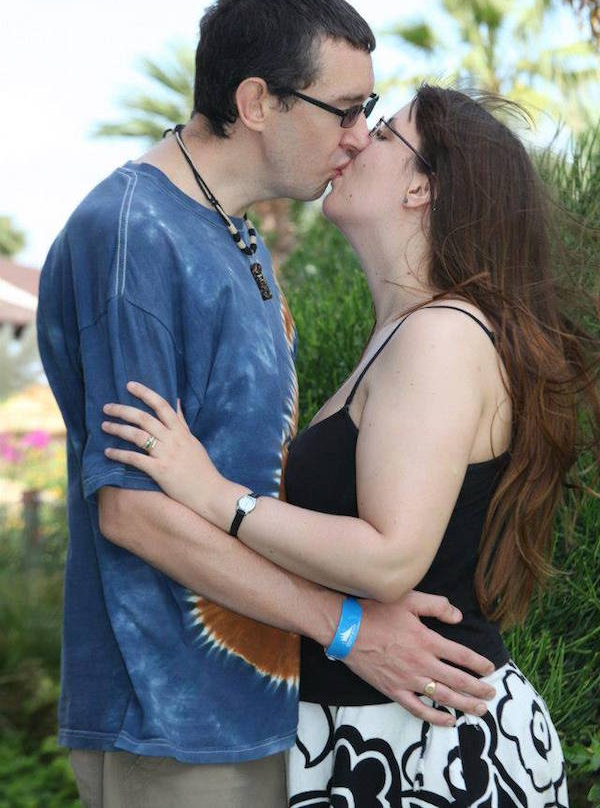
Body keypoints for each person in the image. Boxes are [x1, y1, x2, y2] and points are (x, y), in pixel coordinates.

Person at [37, 0, 497, 808]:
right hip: (172, 720)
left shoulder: (235, 236)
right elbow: (133, 510)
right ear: (257, 103)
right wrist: (346, 627)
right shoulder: (133, 235)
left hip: (259, 709)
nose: (357, 137)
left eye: (370, 113)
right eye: (344, 110)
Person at [102, 84, 600, 807]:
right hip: (387, 731)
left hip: (428, 750)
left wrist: (214, 495)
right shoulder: (409, 333)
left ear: (422, 189)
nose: (357, 138)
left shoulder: (440, 335)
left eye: (385, 132)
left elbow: (389, 558)